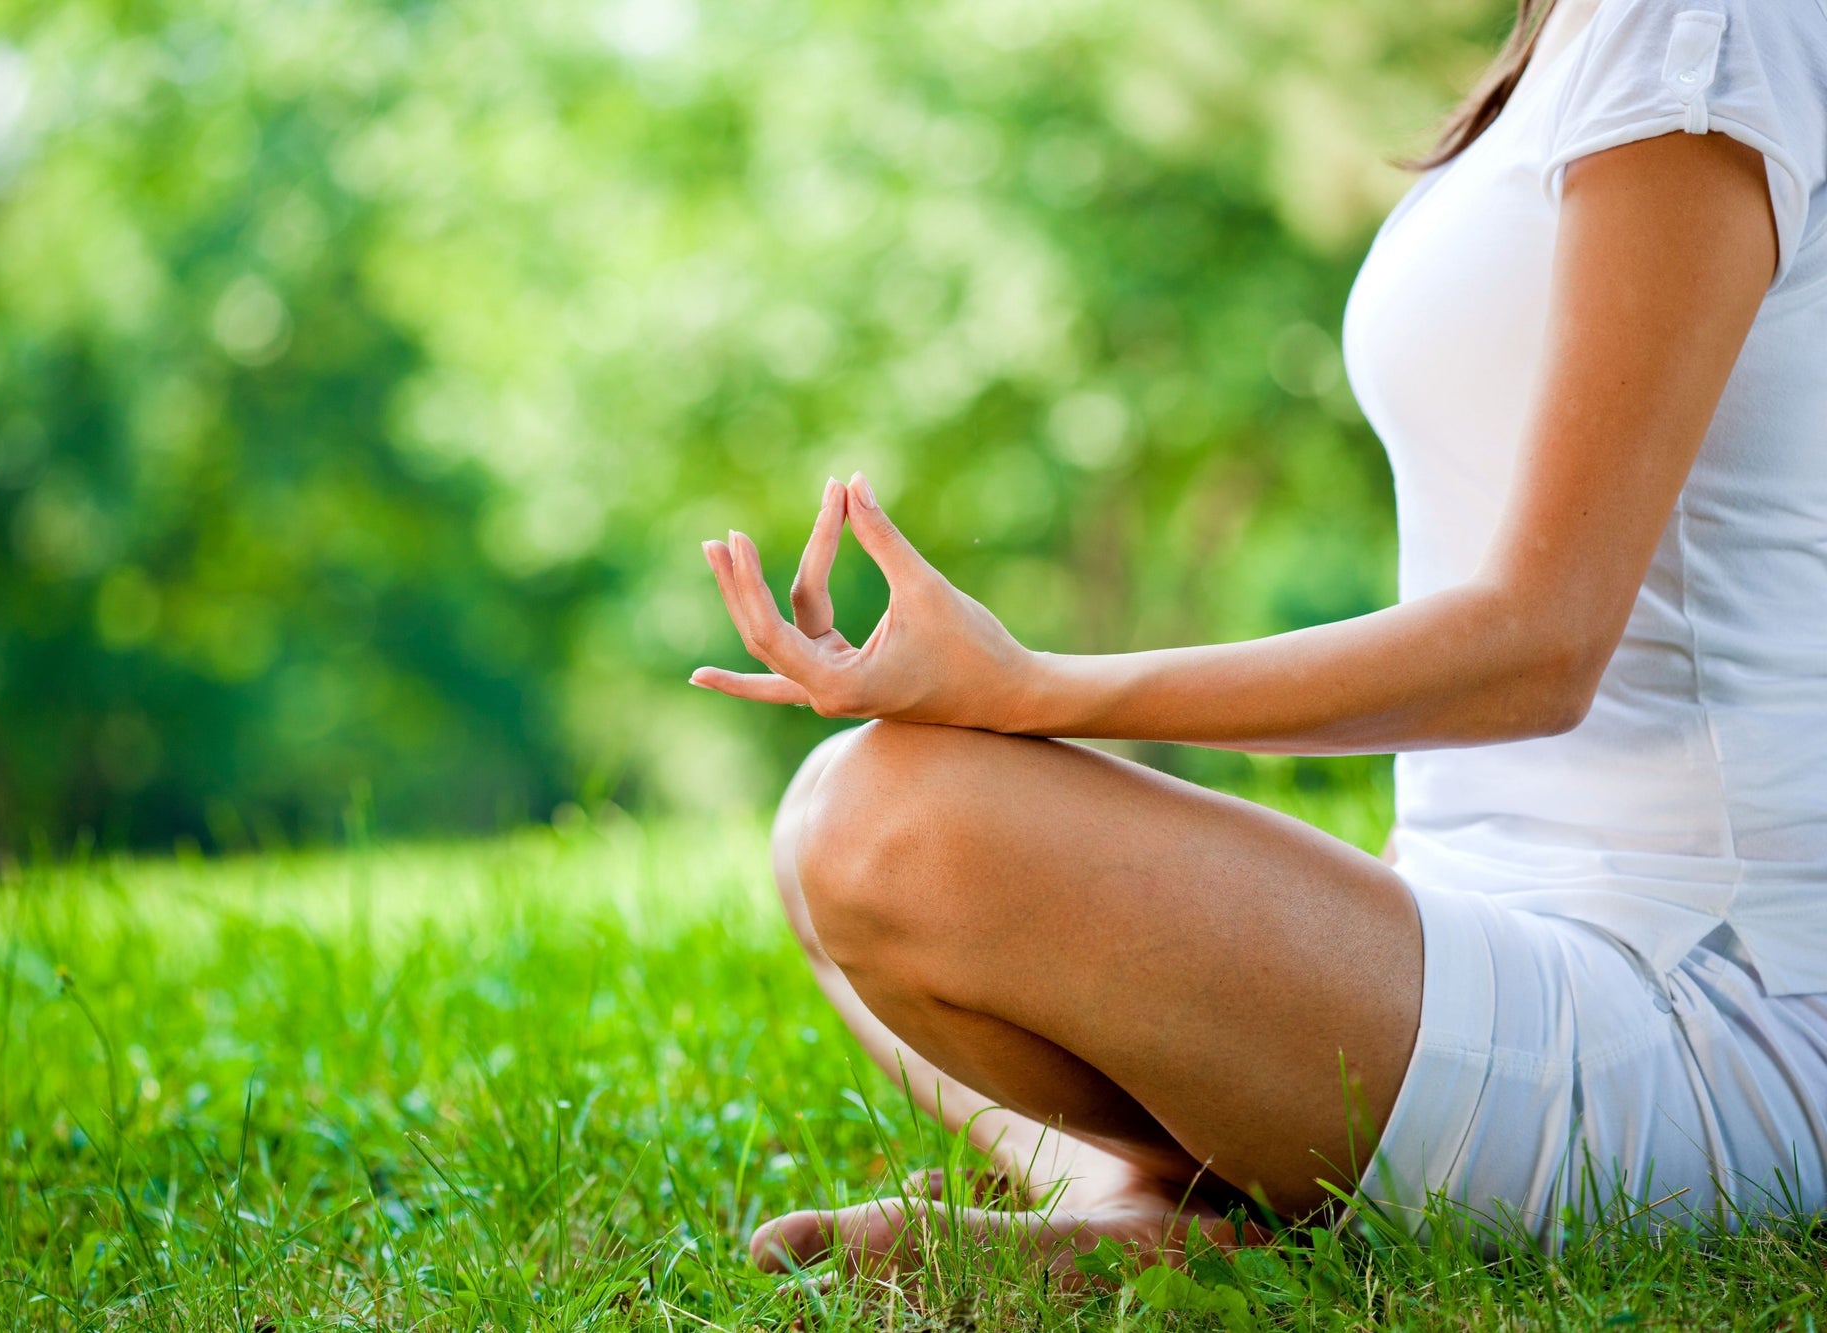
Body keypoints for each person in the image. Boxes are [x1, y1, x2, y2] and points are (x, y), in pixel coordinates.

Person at [690, 0, 1827, 1281]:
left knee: (887, 824)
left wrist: (1027, 688)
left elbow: (1537, 643)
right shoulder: (1575, 33)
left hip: (1700, 1016)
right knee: (822, 846)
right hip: (1484, 922)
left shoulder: (1705, 25)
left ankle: (1171, 1208)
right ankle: (1153, 1204)